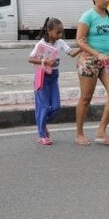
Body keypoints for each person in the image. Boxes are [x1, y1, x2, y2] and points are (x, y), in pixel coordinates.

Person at [75, 0, 109, 146]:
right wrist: (97, 54)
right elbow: (80, 41)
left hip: (107, 61)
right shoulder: (88, 16)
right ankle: (79, 133)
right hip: (90, 61)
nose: (107, 0)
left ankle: (101, 131)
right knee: (86, 98)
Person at [27, 17, 78, 145]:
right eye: (57, 32)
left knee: (56, 106)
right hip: (42, 76)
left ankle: (42, 124)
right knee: (43, 106)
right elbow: (30, 59)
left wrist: (83, 46)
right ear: (49, 31)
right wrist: (44, 61)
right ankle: (41, 134)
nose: (60, 35)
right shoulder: (41, 44)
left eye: (61, 32)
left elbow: (71, 53)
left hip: (53, 76)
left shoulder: (60, 42)